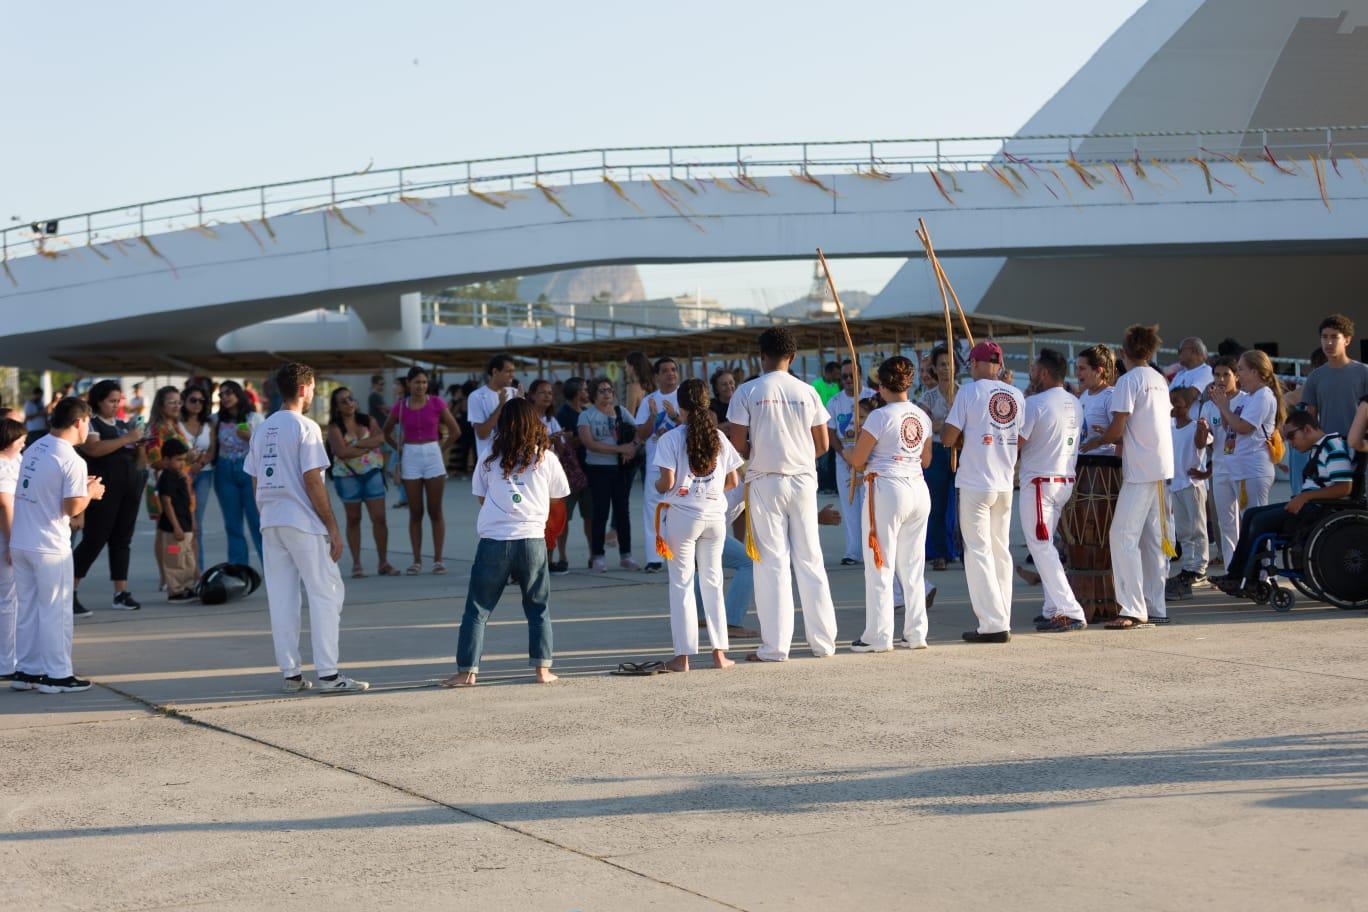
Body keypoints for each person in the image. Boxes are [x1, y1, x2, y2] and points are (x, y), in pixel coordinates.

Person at [245, 362, 367, 695]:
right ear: (303, 389)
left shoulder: (262, 428)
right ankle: (328, 674)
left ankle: (291, 673)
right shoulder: (306, 427)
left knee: (282, 598)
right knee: (326, 592)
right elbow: (312, 479)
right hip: (302, 521)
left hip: (271, 520)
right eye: (312, 388)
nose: (313, 393)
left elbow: (255, 479)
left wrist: (267, 512)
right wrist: (332, 526)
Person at [726, 326, 839, 662]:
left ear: (762, 356)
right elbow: (821, 444)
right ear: (792, 356)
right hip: (803, 481)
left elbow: (736, 446)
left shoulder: (747, 391)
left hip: (764, 481)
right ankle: (824, 643)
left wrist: (764, 451)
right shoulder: (808, 392)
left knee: (771, 563)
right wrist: (796, 455)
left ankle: (775, 647)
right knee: (810, 560)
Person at [444, 398, 568, 687]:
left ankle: (467, 672)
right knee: (538, 606)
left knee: (477, 608)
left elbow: (480, 496)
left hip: (494, 541)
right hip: (533, 541)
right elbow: (559, 497)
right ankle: (542, 670)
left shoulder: (490, 455)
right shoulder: (546, 458)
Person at [9, 397, 104, 693]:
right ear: (79, 422)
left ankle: (27, 671)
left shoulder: (36, 446)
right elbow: (72, 507)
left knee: (27, 609)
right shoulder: (72, 458)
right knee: (55, 610)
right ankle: (57, 675)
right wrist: (92, 493)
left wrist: (80, 489)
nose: (88, 427)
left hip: (22, 540)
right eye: (87, 422)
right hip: (49, 545)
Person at [844, 356, 933, 651]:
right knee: (913, 565)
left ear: (881, 386)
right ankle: (916, 632)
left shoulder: (879, 417)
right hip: (918, 487)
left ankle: (879, 635)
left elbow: (857, 460)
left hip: (887, 487)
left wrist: (849, 451)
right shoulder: (922, 416)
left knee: (879, 562)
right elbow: (927, 459)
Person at [653, 378, 743, 672]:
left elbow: (665, 483)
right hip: (715, 518)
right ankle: (720, 655)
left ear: (680, 407)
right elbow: (733, 481)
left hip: (683, 516)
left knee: (682, 583)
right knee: (713, 582)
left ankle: (683, 657)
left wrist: (660, 486)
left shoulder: (670, 439)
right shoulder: (719, 437)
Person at [1214, 411, 1355, 593]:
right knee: (1250, 514)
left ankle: (1247, 578)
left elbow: (1345, 488)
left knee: (1259, 521)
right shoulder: (1319, 448)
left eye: (1290, 436)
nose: (1289, 443)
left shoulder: (1332, 446)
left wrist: (1305, 497)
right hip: (1310, 504)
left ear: (1307, 429)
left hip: (1319, 509)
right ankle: (1237, 574)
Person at [942, 341, 1025, 643]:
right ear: (999, 364)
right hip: (1004, 482)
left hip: (976, 482)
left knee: (978, 552)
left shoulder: (968, 391)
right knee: (1000, 551)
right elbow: (1021, 439)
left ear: (976, 364)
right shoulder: (1016, 395)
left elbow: (948, 438)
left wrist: (965, 435)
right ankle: (1003, 615)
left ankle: (992, 623)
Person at [1092, 325, 1175, 629]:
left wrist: (1095, 441)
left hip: (1141, 469)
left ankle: (1132, 608)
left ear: (1124, 353)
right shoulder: (1159, 379)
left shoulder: (1128, 381)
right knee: (1152, 540)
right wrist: (1115, 437)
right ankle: (1155, 606)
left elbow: (1117, 428)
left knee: (1122, 536)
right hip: (1161, 467)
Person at [1013, 349, 1088, 632]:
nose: (1031, 373)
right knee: (1045, 547)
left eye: (1033, 369)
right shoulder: (1075, 402)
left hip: (1040, 483)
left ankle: (1071, 610)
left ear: (1043, 373)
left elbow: (1017, 442)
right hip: (1063, 482)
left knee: (1041, 547)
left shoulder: (1034, 403)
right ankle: (1052, 608)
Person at [73, 380, 146, 615]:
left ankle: (120, 592)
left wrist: (142, 444)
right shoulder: (91, 424)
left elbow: (140, 461)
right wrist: (128, 439)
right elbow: (94, 449)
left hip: (128, 489)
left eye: (119, 401)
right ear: (98, 401)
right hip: (102, 491)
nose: (116, 405)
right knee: (94, 539)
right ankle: (69, 590)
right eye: (111, 401)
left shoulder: (124, 425)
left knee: (122, 540)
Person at [382, 366, 461, 575]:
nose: (421, 386)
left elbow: (455, 431)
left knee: (435, 511)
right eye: (417, 382)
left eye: (424, 382)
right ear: (409, 383)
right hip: (410, 456)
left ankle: (438, 560)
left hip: (432, 454)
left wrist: (440, 449)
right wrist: (398, 446)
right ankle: (416, 560)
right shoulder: (400, 406)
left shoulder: (437, 402)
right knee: (415, 512)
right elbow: (386, 431)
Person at [327, 387, 398, 578]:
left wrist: (356, 445)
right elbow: (341, 453)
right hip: (347, 477)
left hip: (372, 474)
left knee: (380, 519)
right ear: (337, 406)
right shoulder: (334, 427)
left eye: (351, 398)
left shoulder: (367, 419)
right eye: (343, 401)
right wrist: (367, 447)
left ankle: (383, 562)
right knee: (353, 519)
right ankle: (357, 564)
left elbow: (380, 438)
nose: (349, 403)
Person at [1211, 350, 1286, 515]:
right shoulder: (1249, 397)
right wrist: (1222, 404)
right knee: (1246, 521)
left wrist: (1224, 406)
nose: (1239, 374)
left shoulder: (1263, 396)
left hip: (1254, 469)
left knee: (1256, 521)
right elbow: (1229, 427)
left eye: (1241, 369)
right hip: (1242, 469)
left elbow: (1243, 427)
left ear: (1254, 371)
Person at [577, 377, 640, 571]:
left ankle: (626, 555)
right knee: (600, 512)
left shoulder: (622, 412)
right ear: (594, 395)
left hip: (621, 470)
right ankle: (598, 556)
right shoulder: (586, 416)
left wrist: (632, 447)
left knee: (623, 512)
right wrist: (620, 449)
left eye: (610, 390)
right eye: (602, 390)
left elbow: (638, 432)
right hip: (598, 469)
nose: (607, 394)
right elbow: (589, 443)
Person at [827, 359, 877, 565]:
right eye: (844, 377)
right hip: (844, 461)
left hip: (869, 460)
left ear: (859, 375)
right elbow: (830, 433)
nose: (848, 380)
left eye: (852, 376)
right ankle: (853, 550)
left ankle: (870, 548)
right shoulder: (835, 402)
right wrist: (844, 455)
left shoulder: (871, 397)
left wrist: (861, 456)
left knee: (869, 503)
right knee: (850, 505)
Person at [635, 357, 682, 574]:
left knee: (683, 510)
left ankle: (683, 552)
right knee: (654, 511)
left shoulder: (684, 396)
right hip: (657, 465)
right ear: (656, 376)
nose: (670, 374)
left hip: (683, 464)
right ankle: (655, 557)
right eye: (665, 371)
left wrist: (674, 416)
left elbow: (694, 425)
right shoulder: (648, 401)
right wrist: (654, 417)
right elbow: (642, 434)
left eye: (673, 370)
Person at [1194, 357, 1241, 571]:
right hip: (1220, 469)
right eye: (1216, 375)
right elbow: (1201, 443)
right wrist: (1202, 431)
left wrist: (1224, 408)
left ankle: (1259, 571)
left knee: (1249, 519)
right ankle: (1232, 570)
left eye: (1226, 375)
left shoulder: (1246, 400)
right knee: (1226, 523)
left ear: (1236, 376)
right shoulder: (1207, 406)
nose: (1220, 379)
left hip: (1245, 468)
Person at [212, 380, 264, 567]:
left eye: (228, 393)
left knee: (257, 522)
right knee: (233, 525)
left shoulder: (254, 418)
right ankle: (239, 569)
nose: (224, 398)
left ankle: (273, 569)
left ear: (238, 394)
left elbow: (268, 446)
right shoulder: (216, 420)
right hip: (224, 471)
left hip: (249, 471)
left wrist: (250, 437)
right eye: (221, 395)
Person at [918, 345, 960, 571]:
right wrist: (945, 424)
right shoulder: (929, 396)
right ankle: (938, 553)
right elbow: (923, 424)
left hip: (960, 450)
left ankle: (962, 551)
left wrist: (944, 424)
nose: (946, 369)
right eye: (942, 364)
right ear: (935, 368)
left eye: (949, 364)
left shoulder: (962, 392)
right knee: (937, 503)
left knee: (962, 504)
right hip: (936, 451)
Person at [143, 386, 188, 595]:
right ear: (161, 405)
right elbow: (155, 461)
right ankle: (165, 576)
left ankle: (177, 574)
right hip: (161, 486)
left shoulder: (176, 426)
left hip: (178, 485)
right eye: (172, 402)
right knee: (164, 532)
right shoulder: (155, 428)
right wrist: (184, 465)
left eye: (179, 402)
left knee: (174, 531)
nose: (177, 405)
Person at [1165, 387, 1208, 600]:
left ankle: (1199, 567)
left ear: (1189, 404)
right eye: (1171, 402)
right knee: (1183, 529)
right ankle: (1188, 565)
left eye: (1178, 403)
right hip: (1176, 484)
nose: (1173, 407)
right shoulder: (1170, 427)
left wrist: (1202, 430)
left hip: (1192, 484)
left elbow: (1202, 444)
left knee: (1197, 527)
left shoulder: (1195, 426)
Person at [1300, 314, 1368, 437]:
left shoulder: (1364, 372)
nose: (1328, 342)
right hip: (1329, 448)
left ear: (1347, 340)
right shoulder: (1314, 377)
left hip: (1360, 446)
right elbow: (1311, 418)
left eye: (1334, 337)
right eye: (1324, 337)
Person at [553, 377, 593, 572]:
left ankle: (594, 554)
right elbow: (563, 445)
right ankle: (562, 557)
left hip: (589, 470)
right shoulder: (563, 415)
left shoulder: (587, 413)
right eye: (585, 389)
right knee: (563, 518)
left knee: (590, 516)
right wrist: (584, 438)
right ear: (578, 392)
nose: (587, 393)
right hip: (568, 474)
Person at [0, 418, 27, 681]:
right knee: (8, 601)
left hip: (12, 534)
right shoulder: (3, 465)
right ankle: (7, 661)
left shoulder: (14, 461)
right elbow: (6, 506)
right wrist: (10, 543)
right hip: (6, 537)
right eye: (20, 441)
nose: (23, 445)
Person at [155, 439, 198, 601]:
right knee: (175, 560)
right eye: (178, 460)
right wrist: (176, 527)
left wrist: (190, 523)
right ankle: (175, 591)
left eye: (183, 460)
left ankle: (187, 586)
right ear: (166, 460)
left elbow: (188, 502)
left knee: (188, 559)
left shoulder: (180, 476)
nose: (181, 464)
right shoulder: (166, 478)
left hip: (185, 526)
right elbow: (166, 502)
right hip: (174, 530)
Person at [467, 354, 520, 485]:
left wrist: (522, 405)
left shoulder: (515, 393)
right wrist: (501, 405)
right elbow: (482, 433)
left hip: (515, 462)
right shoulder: (476, 396)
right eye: (508, 371)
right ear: (495, 371)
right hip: (490, 464)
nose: (511, 375)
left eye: (513, 372)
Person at [179, 385, 214, 570]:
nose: (197, 404)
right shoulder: (176, 424)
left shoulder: (209, 424)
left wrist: (200, 464)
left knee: (196, 524)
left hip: (204, 475)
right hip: (180, 477)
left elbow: (212, 449)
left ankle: (197, 570)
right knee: (179, 523)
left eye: (201, 401)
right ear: (184, 402)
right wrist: (187, 463)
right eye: (193, 400)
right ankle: (177, 568)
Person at [1077, 345, 1118, 457]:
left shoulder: (1111, 396)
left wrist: (1105, 437)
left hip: (1103, 468)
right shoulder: (1084, 395)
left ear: (1099, 371)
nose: (1077, 373)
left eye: (1082, 368)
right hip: (1081, 464)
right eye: (1077, 368)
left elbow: (1121, 438)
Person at [623, 351, 655, 419]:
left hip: (639, 428)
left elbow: (629, 417)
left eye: (626, 366)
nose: (625, 370)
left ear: (632, 367)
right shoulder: (651, 385)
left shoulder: (632, 388)